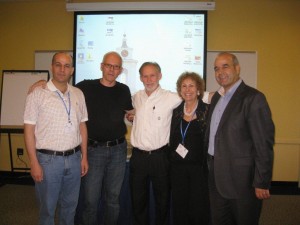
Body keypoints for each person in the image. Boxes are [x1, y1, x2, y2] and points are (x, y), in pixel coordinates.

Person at [129, 62, 211, 225]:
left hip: (160, 157)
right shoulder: (136, 97)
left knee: (163, 201)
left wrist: (225, 93)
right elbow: (132, 114)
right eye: (145, 76)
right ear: (140, 78)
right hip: (138, 157)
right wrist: (130, 116)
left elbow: (199, 96)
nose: (149, 79)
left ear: (160, 76)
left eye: (152, 75)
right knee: (138, 201)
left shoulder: (172, 97)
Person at [206, 52, 275, 225]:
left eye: (225, 66)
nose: (220, 72)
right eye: (216, 68)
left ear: (237, 68)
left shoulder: (253, 98)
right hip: (215, 176)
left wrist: (262, 181)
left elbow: (263, 144)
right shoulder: (216, 98)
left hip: (242, 182)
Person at [24, 52, 89, 225]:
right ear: (52, 66)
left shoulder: (78, 93)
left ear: (72, 70)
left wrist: (84, 157)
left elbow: (82, 126)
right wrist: (33, 162)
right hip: (47, 161)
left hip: (75, 159)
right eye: (58, 64)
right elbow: (29, 129)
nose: (62, 69)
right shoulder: (37, 93)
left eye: (67, 66)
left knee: (70, 207)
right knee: (47, 209)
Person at [78, 51, 133, 225]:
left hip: (118, 150)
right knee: (91, 201)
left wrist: (133, 116)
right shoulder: (86, 86)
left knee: (113, 199)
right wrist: (43, 83)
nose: (112, 69)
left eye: (116, 66)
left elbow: (129, 112)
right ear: (101, 66)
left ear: (121, 70)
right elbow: (64, 88)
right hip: (94, 151)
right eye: (108, 65)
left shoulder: (124, 90)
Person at [168, 72, 210, 225]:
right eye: (184, 86)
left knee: (198, 207)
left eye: (191, 85)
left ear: (198, 89)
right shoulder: (176, 111)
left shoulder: (207, 111)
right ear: (180, 90)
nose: (187, 89)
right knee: (180, 207)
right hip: (177, 168)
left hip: (199, 169)